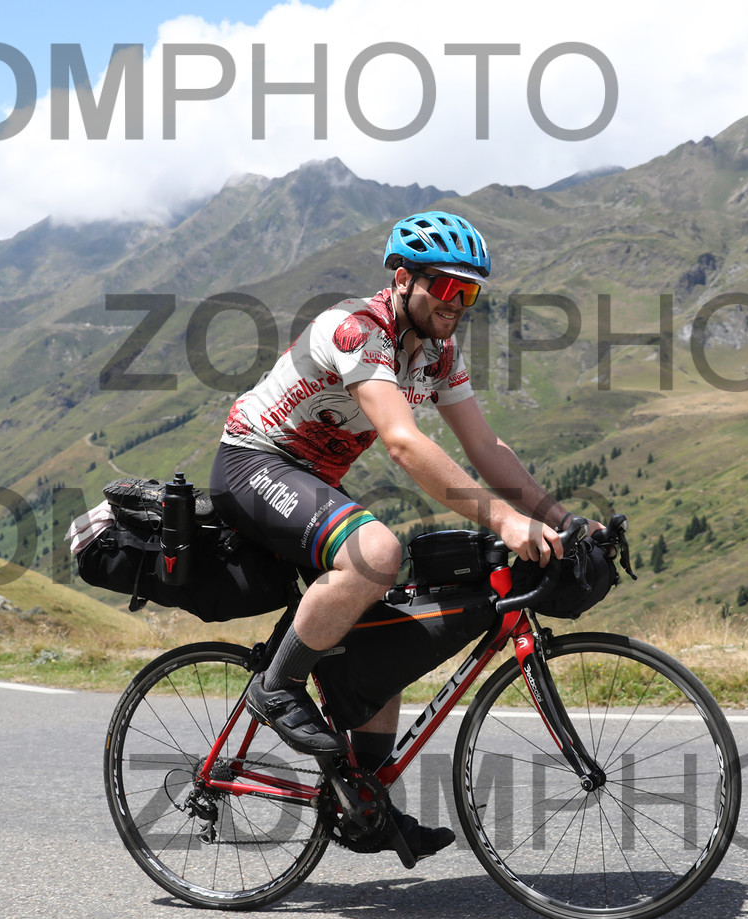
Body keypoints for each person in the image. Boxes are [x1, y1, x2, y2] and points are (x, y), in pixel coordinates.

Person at [209, 210, 585, 861]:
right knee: (376, 551)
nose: (457, 304)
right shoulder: (356, 328)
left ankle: (364, 803)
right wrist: (503, 519)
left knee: (384, 638)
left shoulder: (437, 354)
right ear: (403, 278)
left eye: (470, 293)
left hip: (309, 480)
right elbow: (404, 443)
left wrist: (563, 520)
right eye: (447, 288)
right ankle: (276, 687)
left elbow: (487, 448)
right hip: (253, 463)